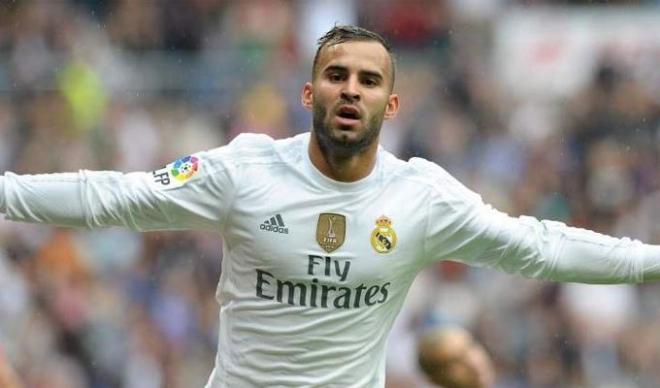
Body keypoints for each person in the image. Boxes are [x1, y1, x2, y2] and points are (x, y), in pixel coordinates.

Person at [0, 24, 658, 387]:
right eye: (336, 76)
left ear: (390, 106)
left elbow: (538, 244)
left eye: (369, 81)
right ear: (307, 93)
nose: (351, 90)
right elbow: (113, 197)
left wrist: (653, 263)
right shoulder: (244, 171)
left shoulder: (419, 198)